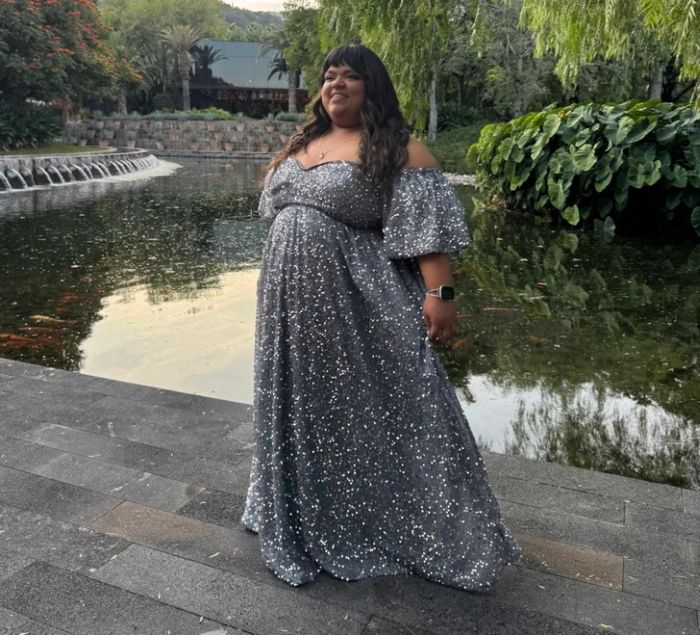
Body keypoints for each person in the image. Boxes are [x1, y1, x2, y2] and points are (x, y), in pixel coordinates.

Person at [241, 43, 519, 590]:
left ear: (373, 87)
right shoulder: (305, 141)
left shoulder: (398, 149)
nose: (335, 84)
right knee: (305, 402)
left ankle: (391, 521)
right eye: (329, 76)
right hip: (287, 307)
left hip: (356, 301)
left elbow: (425, 232)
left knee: (377, 403)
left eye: (350, 76)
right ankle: (297, 507)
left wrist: (440, 293)